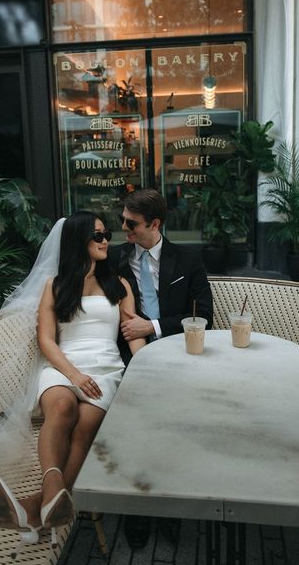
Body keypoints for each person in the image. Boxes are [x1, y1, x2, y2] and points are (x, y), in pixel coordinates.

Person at [0, 212, 146, 555]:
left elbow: (132, 336)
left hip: (106, 369)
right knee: (61, 407)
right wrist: (73, 374)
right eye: (98, 236)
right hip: (63, 365)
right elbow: (47, 340)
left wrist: (148, 367)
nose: (107, 241)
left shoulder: (120, 285)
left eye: (106, 235)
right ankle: (53, 499)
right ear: (79, 242)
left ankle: (34, 509)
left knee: (84, 427)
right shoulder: (55, 285)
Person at [109, 188, 213, 548]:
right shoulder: (116, 258)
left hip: (177, 353)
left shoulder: (187, 259)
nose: (124, 229)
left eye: (131, 223)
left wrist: (151, 327)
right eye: (123, 220)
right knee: (136, 424)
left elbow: (205, 317)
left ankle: (170, 503)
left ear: (155, 223)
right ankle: (137, 508)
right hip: (129, 356)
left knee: (176, 423)